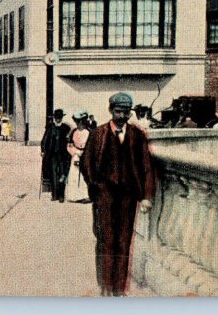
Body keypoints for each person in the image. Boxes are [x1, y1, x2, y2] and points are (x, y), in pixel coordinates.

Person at [80, 92, 156, 297]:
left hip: (128, 198)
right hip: (104, 196)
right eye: (118, 112)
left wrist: (147, 196)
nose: (122, 116)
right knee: (105, 239)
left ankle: (119, 289)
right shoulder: (98, 134)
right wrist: (96, 187)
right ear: (110, 111)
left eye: (125, 113)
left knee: (123, 240)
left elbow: (147, 167)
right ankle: (105, 285)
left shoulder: (137, 136)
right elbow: (86, 165)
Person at [41, 109, 72, 201]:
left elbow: (69, 140)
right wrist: (43, 150)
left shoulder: (66, 128)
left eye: (60, 117)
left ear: (62, 117)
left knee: (62, 174)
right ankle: (54, 195)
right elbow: (45, 140)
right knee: (53, 174)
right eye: (57, 117)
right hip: (52, 155)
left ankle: (61, 195)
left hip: (63, 155)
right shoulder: (50, 127)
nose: (58, 119)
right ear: (54, 118)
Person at [66, 111, 91, 203]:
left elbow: (92, 146)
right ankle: (75, 195)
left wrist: (84, 153)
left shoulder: (88, 132)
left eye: (80, 121)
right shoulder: (73, 132)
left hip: (85, 156)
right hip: (76, 156)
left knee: (85, 175)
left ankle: (86, 195)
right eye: (77, 121)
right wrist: (75, 152)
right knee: (74, 175)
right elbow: (69, 145)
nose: (78, 124)